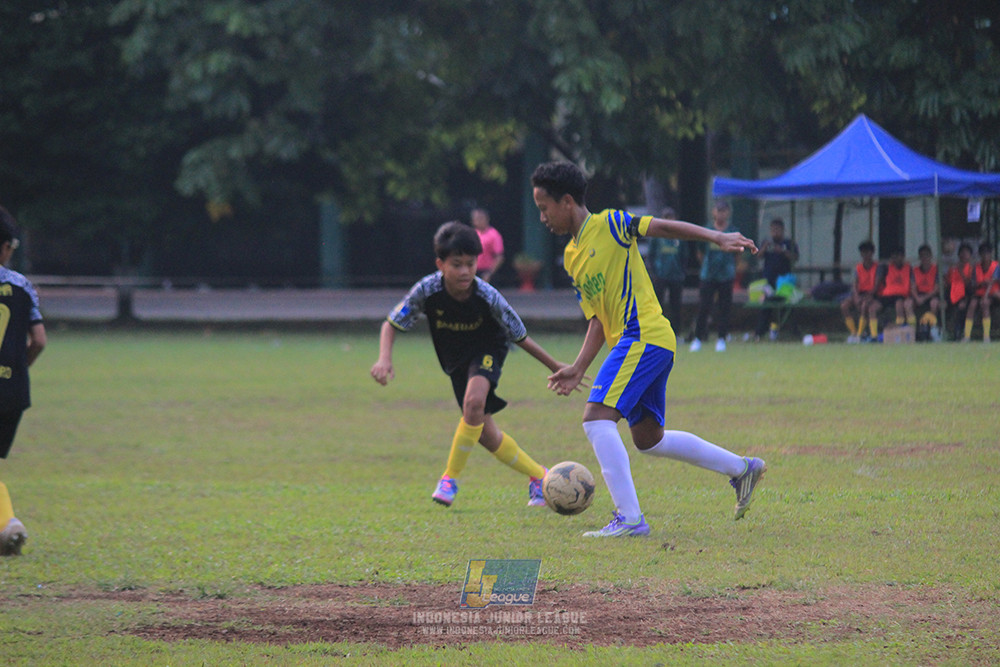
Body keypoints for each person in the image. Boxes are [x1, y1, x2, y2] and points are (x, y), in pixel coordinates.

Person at [531, 161, 765, 538]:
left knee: (595, 418)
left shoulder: (610, 224)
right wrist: (577, 367)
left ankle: (630, 519)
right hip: (639, 342)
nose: (542, 217)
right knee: (648, 439)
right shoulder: (572, 258)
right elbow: (597, 319)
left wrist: (716, 237)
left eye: (544, 208)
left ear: (568, 201)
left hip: (643, 335)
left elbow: (663, 226)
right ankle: (742, 469)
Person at [371, 221, 578, 508]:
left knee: (473, 403)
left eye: (471, 264)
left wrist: (556, 366)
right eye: (457, 264)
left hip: (488, 349)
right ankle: (539, 477)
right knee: (484, 433)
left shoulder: (487, 295)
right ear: (440, 264)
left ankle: (449, 479)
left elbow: (519, 336)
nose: (466, 271)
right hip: (455, 362)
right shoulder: (427, 290)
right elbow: (391, 323)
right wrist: (384, 358)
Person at [0, 206, 46, 556]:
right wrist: (18, 370)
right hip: (13, 390)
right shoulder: (22, 286)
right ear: (7, 247)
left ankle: (8, 523)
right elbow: (39, 341)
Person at [690, 200, 738, 352]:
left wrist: (730, 268)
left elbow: (737, 255)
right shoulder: (707, 230)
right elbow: (700, 253)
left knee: (724, 308)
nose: (721, 214)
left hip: (726, 276)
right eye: (719, 210)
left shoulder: (732, 231)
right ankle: (698, 338)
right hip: (708, 276)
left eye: (724, 211)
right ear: (713, 212)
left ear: (728, 213)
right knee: (704, 307)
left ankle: (722, 339)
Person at [753, 217, 799, 341]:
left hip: (785, 282)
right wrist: (764, 248)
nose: (775, 232)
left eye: (777, 230)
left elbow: (795, 258)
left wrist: (784, 252)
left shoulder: (789, 243)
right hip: (769, 281)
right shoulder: (766, 243)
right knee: (766, 305)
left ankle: (792, 331)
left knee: (788, 306)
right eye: (773, 230)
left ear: (783, 230)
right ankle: (759, 333)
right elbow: (758, 256)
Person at [645, 206, 687, 336]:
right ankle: (656, 333)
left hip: (676, 276)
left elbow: (685, 256)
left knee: (676, 306)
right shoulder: (657, 238)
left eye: (671, 218)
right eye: (666, 218)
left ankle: (676, 333)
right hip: (660, 276)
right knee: (657, 307)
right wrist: (655, 273)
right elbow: (651, 256)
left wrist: (681, 272)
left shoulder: (679, 237)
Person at [868, 247, 915, 339]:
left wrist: (912, 297)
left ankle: (901, 333)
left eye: (899, 256)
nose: (897, 259)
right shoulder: (885, 267)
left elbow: (913, 284)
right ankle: (874, 336)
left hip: (901, 295)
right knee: (872, 309)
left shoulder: (908, 268)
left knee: (899, 306)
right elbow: (877, 283)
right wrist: (870, 295)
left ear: (903, 257)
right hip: (887, 295)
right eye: (895, 257)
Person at [840, 240, 878, 343]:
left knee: (864, 305)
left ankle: (860, 334)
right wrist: (856, 296)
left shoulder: (877, 267)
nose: (866, 255)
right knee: (844, 306)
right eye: (863, 252)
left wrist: (868, 296)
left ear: (872, 253)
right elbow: (855, 284)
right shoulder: (858, 268)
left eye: (868, 252)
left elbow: (876, 285)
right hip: (859, 293)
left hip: (871, 295)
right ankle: (853, 332)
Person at [963, 242, 999, 343]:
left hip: (992, 293)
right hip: (979, 293)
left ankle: (986, 336)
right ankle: (966, 336)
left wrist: (986, 295)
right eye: (983, 253)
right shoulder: (976, 267)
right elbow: (974, 284)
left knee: (985, 304)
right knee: (972, 305)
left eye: (987, 253)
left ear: (991, 254)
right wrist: (982, 283)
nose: (985, 256)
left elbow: (992, 282)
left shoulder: (996, 266)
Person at [911, 244, 942, 342]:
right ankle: (912, 332)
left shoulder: (936, 269)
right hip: (919, 295)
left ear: (931, 256)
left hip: (931, 295)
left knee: (934, 303)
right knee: (907, 304)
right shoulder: (915, 270)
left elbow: (937, 288)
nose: (924, 258)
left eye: (927, 255)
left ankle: (932, 330)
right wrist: (916, 298)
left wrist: (924, 298)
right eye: (922, 255)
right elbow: (913, 287)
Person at [947, 243, 974, 341]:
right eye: (962, 253)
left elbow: (969, 285)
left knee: (961, 308)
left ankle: (960, 332)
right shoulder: (952, 269)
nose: (964, 255)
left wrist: (961, 271)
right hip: (953, 295)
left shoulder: (971, 268)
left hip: (966, 296)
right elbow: (948, 283)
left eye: (966, 253)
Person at [470, 208, 504, 284]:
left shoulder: (494, 235)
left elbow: (499, 257)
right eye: (475, 219)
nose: (477, 221)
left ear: (486, 219)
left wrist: (489, 273)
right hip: (473, 272)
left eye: (480, 218)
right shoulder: (472, 234)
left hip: (487, 273)